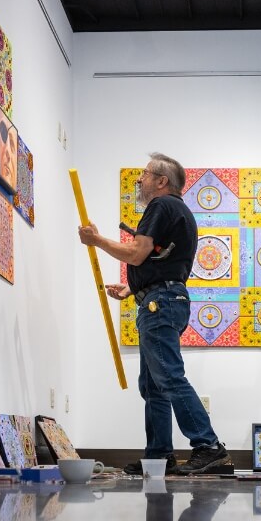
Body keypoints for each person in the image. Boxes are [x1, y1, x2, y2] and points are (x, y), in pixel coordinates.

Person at [78, 152, 232, 476]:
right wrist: (133, 289)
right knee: (154, 385)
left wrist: (96, 240)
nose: (140, 179)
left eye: (146, 174)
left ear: (162, 181)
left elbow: (136, 254)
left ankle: (209, 446)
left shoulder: (161, 206)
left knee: (168, 377)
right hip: (163, 300)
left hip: (160, 303)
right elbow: (163, 261)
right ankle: (159, 456)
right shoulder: (178, 212)